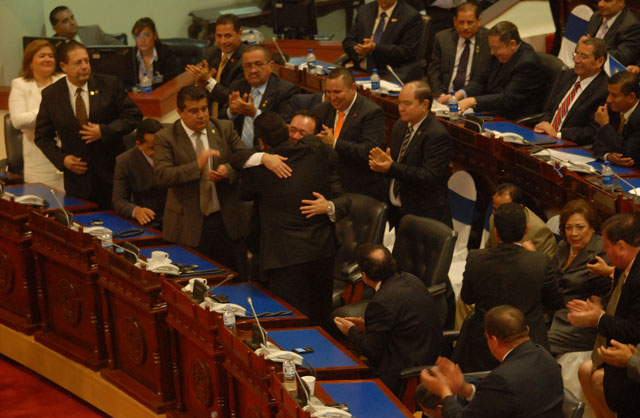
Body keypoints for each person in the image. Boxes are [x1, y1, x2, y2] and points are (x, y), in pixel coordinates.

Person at [239, 112, 348, 327]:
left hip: (288, 258)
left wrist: (262, 158)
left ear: (261, 141)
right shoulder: (319, 154)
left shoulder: (261, 171)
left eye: (302, 132)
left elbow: (242, 186)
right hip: (318, 252)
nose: (297, 136)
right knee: (319, 321)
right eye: (293, 130)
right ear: (286, 130)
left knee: (290, 323)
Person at [457, 202, 564, 372]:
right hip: (528, 345)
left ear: (496, 232)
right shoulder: (539, 261)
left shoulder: (476, 258)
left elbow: (467, 298)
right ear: (526, 230)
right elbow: (555, 302)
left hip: (485, 345)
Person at [35, 40, 142, 208]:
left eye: (86, 61)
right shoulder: (52, 95)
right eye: (78, 63)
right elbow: (42, 137)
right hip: (77, 179)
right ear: (63, 66)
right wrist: (63, 160)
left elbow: (134, 117)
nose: (85, 66)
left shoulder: (110, 85)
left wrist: (104, 131)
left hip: (111, 175)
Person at [334, 244, 443, 397]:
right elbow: (400, 326)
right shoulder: (411, 279)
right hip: (424, 357)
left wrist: (351, 330)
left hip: (402, 376)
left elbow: (370, 350)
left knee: (341, 383)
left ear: (364, 275)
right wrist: (366, 327)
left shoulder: (381, 301)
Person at [420, 305, 564, 418]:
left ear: (493, 339)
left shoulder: (502, 379)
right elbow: (500, 403)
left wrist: (444, 391)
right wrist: (465, 389)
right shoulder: (545, 355)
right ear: (526, 329)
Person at [568, 213, 640, 418]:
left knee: (602, 380)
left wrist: (598, 318)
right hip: (621, 347)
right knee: (586, 371)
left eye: (607, 245)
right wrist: (597, 313)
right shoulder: (622, 267)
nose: (604, 250)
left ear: (621, 247)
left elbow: (634, 329)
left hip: (632, 352)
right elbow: (618, 310)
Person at [368, 81, 452, 228]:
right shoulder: (400, 125)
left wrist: (391, 167)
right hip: (398, 210)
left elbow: (429, 176)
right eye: (400, 103)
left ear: (424, 105)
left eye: (407, 104)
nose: (401, 108)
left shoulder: (437, 135)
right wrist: (382, 164)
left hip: (424, 214)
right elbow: (395, 163)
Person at [547, 199, 613, 355]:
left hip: (578, 324)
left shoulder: (601, 253)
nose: (573, 233)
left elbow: (599, 299)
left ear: (592, 227)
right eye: (568, 228)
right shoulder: (563, 246)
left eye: (580, 227)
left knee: (535, 344)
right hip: (553, 313)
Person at [442, 21, 545, 120]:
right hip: (493, 111)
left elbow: (508, 99)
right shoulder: (499, 53)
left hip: (513, 117)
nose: (492, 52)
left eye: (495, 48)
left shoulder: (527, 63)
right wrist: (461, 94)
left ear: (512, 44)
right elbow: (482, 80)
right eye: (491, 47)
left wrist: (473, 101)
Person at [314, 68, 386, 201]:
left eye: (337, 92)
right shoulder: (322, 110)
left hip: (359, 189)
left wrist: (335, 143)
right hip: (328, 185)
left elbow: (369, 152)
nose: (332, 97)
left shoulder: (371, 113)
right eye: (328, 92)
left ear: (353, 88)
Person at [9, 39, 64, 190]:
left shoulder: (63, 80)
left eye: (51, 56)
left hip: (67, 156)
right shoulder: (20, 84)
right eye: (42, 56)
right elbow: (18, 120)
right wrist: (49, 114)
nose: (48, 59)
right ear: (30, 63)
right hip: (39, 159)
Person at [534, 38, 609, 146]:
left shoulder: (605, 90)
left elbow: (592, 131)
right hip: (544, 137)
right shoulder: (567, 75)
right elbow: (550, 109)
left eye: (583, 56)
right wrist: (544, 123)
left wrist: (558, 134)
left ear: (599, 62)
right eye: (576, 54)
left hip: (570, 146)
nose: (576, 60)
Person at [222, 45, 297, 148]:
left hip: (269, 152)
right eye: (248, 66)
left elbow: (283, 128)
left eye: (259, 64)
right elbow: (221, 118)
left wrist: (255, 114)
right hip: (237, 151)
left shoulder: (285, 90)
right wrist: (232, 111)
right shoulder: (237, 86)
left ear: (271, 66)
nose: (253, 70)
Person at [342, 0, 424, 82]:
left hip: (390, 71)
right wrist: (359, 50)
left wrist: (375, 48)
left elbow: (407, 51)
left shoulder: (410, 16)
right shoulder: (365, 10)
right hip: (362, 69)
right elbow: (348, 41)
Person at [186, 14, 247, 118]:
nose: (223, 41)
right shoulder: (211, 52)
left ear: (239, 33)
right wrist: (200, 84)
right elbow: (204, 89)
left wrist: (208, 80)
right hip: (208, 116)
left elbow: (232, 98)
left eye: (228, 36)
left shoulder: (246, 58)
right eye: (219, 36)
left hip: (233, 119)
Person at [112, 118, 166, 230]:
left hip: (176, 221)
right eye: (152, 148)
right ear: (139, 145)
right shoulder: (125, 162)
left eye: (161, 146)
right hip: (148, 223)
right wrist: (136, 211)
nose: (158, 152)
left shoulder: (173, 153)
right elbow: (119, 201)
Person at [428, 2, 490, 97]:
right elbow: (434, 72)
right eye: (461, 22)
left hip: (473, 98)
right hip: (445, 96)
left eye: (470, 22)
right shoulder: (442, 38)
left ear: (478, 21)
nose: (465, 27)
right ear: (455, 21)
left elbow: (485, 78)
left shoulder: (488, 40)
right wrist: (440, 95)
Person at [484, 183, 557, 258]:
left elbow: (545, 266)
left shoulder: (539, 231)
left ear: (519, 207)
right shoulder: (494, 217)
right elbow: (489, 249)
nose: (498, 213)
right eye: (494, 209)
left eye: (504, 209)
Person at [594, 70, 640, 168]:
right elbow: (597, 144)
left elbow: (627, 154)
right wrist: (608, 156)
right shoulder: (612, 109)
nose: (608, 100)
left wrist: (605, 125)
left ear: (631, 97)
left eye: (614, 95)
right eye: (609, 93)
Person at [584, 0, 640, 67]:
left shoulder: (631, 26)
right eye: (599, 0)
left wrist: (590, 49)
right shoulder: (596, 16)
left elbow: (621, 58)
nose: (600, 4)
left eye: (607, 1)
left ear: (621, 2)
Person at [131, 17, 177, 88]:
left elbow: (171, 83)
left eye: (146, 35)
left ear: (155, 36)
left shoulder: (166, 53)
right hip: (136, 97)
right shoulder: (130, 55)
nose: (142, 40)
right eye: (138, 36)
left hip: (161, 96)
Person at [49, 5, 122, 45]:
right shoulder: (53, 45)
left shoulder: (94, 32)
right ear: (55, 28)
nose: (72, 23)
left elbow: (121, 48)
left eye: (72, 18)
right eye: (65, 21)